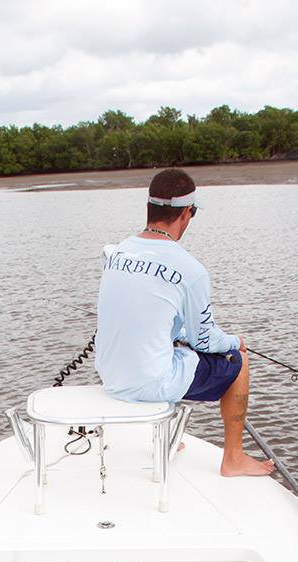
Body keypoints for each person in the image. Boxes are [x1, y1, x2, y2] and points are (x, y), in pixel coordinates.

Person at [95, 167, 273, 477]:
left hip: (110, 375)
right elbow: (205, 339)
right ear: (187, 214)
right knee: (238, 361)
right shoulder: (190, 270)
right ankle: (233, 458)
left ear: (150, 208)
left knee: (169, 347)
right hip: (147, 382)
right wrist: (234, 341)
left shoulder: (115, 254)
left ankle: (168, 439)